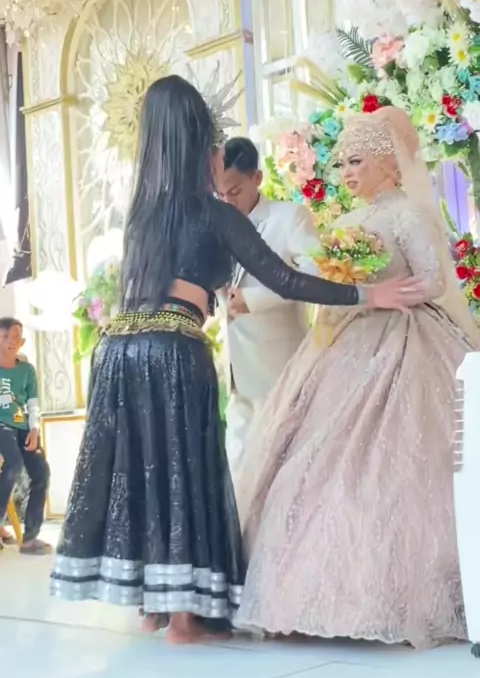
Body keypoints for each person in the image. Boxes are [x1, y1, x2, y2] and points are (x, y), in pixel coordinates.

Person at [50, 77, 422, 645]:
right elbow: (286, 280)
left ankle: (151, 608)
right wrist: (368, 293)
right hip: (174, 350)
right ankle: (184, 621)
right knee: (183, 471)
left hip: (119, 353)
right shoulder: (217, 215)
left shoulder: (143, 215)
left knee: (144, 469)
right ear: (205, 148)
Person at [235, 106, 479, 650]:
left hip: (404, 339)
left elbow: (435, 280)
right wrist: (354, 288)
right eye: (342, 163)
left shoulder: (407, 215)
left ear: (388, 163)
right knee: (310, 456)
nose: (346, 172)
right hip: (345, 340)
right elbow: (321, 280)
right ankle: (300, 593)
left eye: (357, 161)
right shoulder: (345, 222)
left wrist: (383, 291)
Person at [216, 137, 319, 475]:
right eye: (219, 194)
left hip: (280, 369)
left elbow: (315, 275)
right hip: (235, 370)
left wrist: (254, 300)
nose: (226, 202)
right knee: (237, 471)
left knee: (284, 471)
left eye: (234, 191)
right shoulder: (215, 226)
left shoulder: (290, 217)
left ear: (257, 178)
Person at [0, 318, 51, 554]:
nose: (10, 342)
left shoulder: (27, 370)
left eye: (15, 337)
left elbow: (32, 404)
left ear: (22, 342)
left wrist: (34, 430)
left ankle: (30, 538)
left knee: (41, 471)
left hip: (22, 427)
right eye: (4, 337)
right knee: (13, 464)